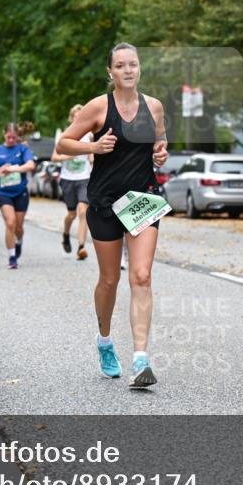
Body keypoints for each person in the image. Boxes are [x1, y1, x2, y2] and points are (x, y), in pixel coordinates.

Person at [55, 43, 169, 388]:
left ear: (139, 68)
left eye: (133, 64)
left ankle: (140, 359)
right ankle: (104, 341)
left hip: (143, 200)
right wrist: (92, 146)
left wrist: (161, 153)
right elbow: (63, 143)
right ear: (111, 72)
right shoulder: (98, 107)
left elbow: (160, 142)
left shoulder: (154, 107)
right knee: (109, 280)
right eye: (121, 65)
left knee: (142, 276)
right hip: (105, 201)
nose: (128, 70)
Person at [0, 122, 36, 269]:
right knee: (10, 223)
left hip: (20, 192)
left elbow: (31, 165)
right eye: (9, 137)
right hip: (4, 192)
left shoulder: (22, 149)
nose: (11, 140)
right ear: (4, 135)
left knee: (19, 227)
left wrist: (14, 169)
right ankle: (12, 256)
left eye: (14, 138)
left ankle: (18, 241)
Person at [53, 104, 93, 261]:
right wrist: (66, 157)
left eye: (81, 115)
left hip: (84, 178)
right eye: (75, 115)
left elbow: (93, 155)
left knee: (83, 211)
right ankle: (66, 234)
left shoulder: (89, 136)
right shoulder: (64, 135)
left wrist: (92, 157)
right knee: (71, 214)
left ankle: (81, 247)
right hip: (68, 179)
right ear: (71, 118)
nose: (78, 118)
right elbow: (54, 157)